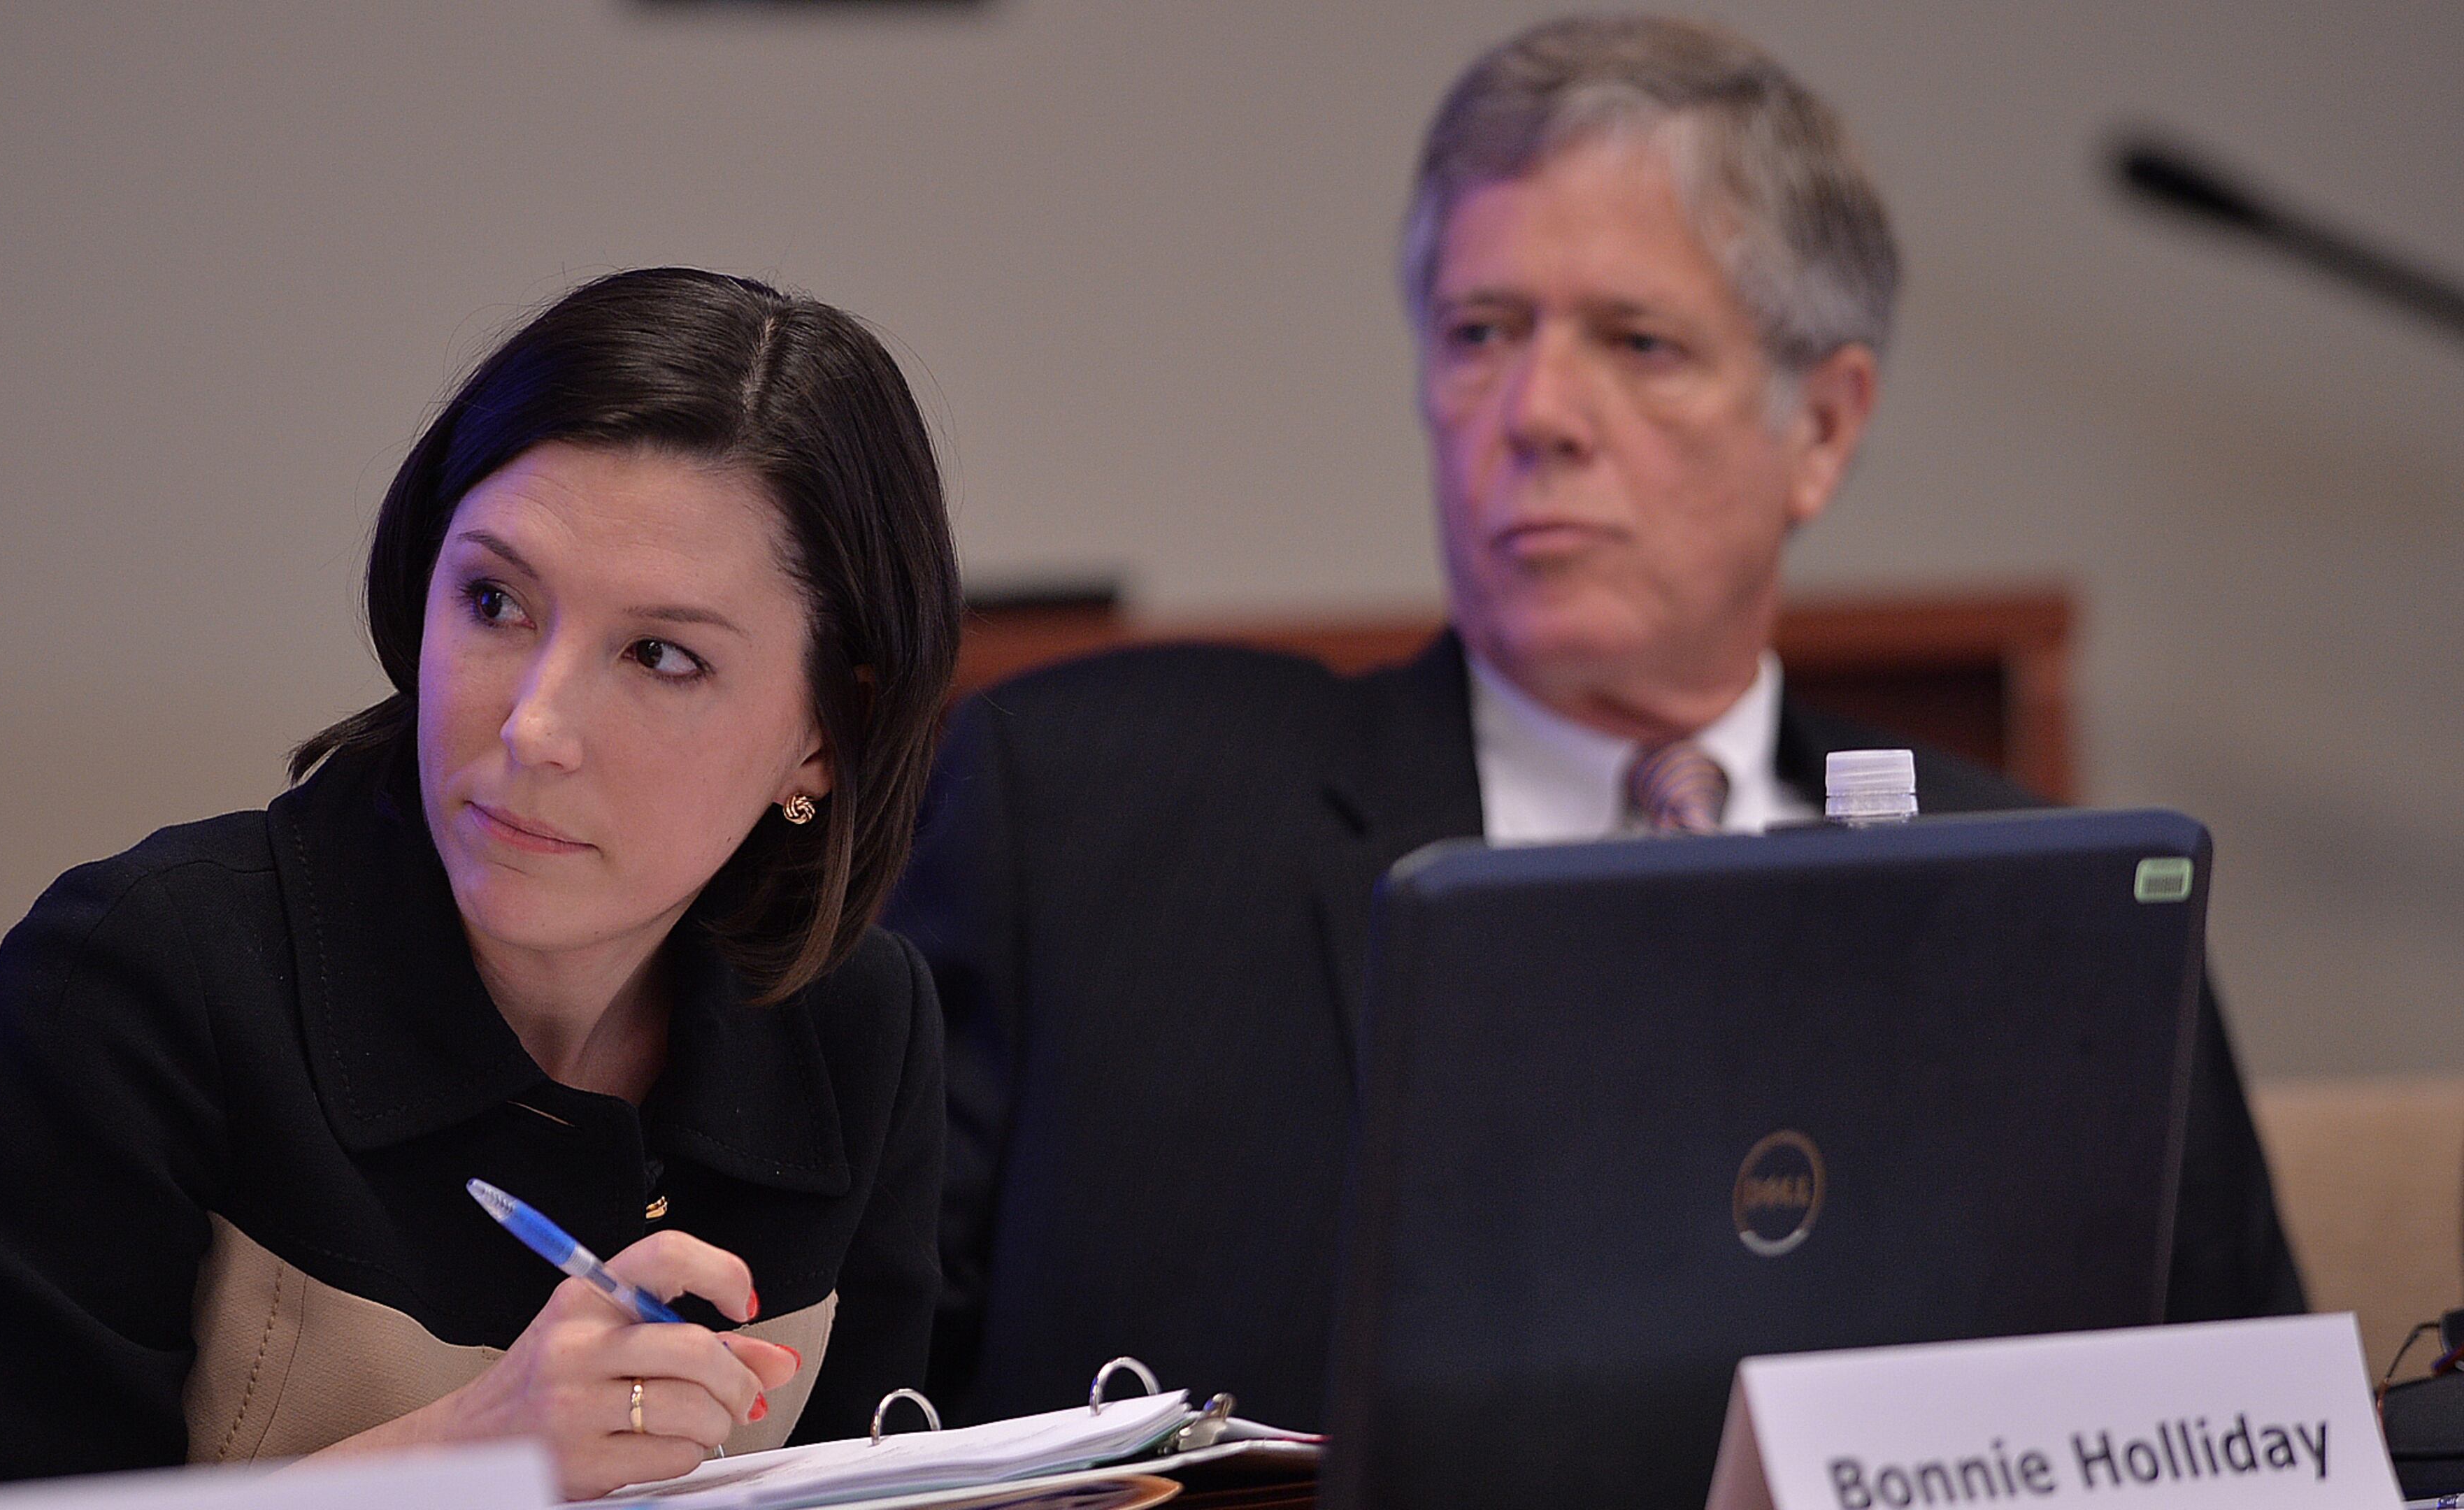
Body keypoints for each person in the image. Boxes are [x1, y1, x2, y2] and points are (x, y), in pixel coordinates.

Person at [884, 16, 2302, 1433]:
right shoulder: (1093, 823)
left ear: (1821, 427)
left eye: (1639, 341)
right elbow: (855, 1424)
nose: (1539, 411)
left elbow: (2254, 1443)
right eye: (1481, 332)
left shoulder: (2072, 914)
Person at [0, 268, 962, 1502]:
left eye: (660, 655)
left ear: (824, 731)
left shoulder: (860, 1023)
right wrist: (469, 1459)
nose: (535, 725)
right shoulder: (140, 976)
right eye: (494, 601)